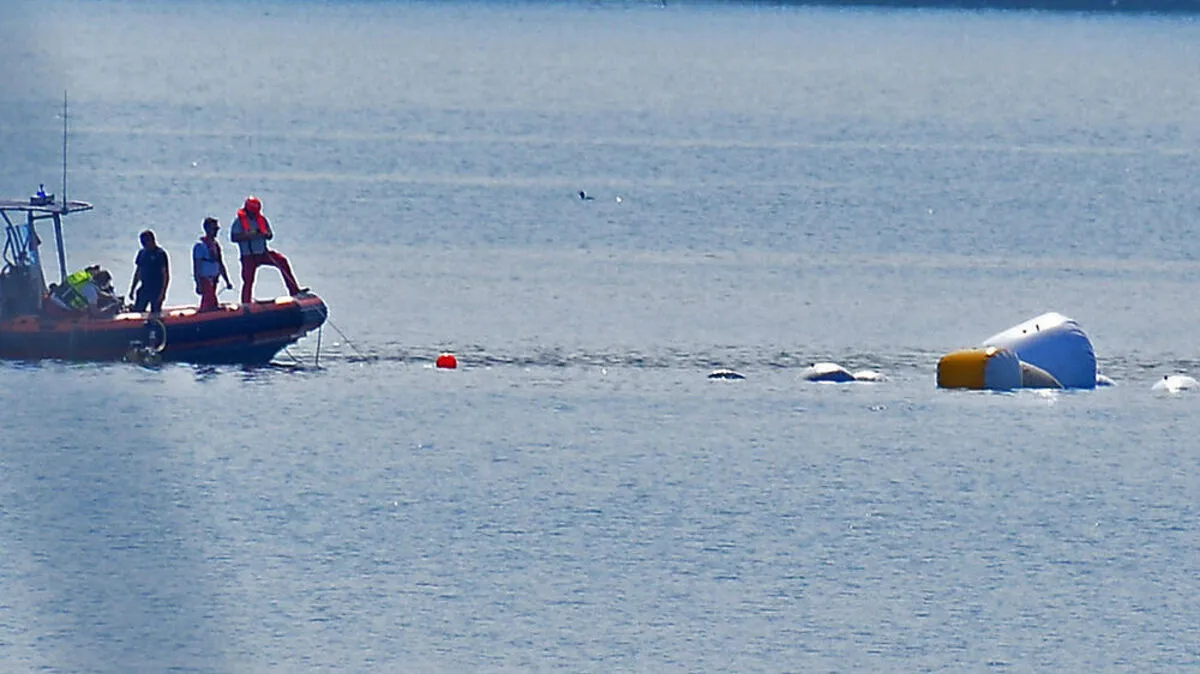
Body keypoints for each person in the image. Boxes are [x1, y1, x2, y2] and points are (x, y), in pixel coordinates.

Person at [230, 195, 304, 303]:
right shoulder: (239, 222)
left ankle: (294, 290)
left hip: (263, 253)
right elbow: (234, 237)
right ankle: (246, 303)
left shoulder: (262, 220)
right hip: (248, 256)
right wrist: (250, 234)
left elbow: (270, 235)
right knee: (248, 280)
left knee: (282, 261)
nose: (254, 214)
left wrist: (264, 234)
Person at [192, 217, 233, 311]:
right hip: (205, 279)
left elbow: (221, 264)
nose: (216, 231)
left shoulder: (216, 245)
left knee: (210, 302)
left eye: (217, 229)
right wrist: (198, 283)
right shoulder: (200, 246)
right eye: (214, 229)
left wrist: (227, 281)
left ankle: (207, 312)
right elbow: (196, 266)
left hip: (214, 279)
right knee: (210, 300)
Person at [50, 265, 121, 317]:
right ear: (103, 283)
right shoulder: (91, 292)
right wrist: (110, 309)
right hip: (62, 307)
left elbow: (98, 293)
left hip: (56, 297)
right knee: (87, 313)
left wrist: (111, 298)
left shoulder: (87, 281)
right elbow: (95, 313)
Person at [129, 229, 169, 314]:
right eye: (142, 242)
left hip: (156, 289)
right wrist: (132, 289)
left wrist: (163, 293)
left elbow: (165, 275)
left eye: (145, 242)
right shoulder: (142, 253)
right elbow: (137, 272)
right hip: (144, 287)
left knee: (155, 312)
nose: (143, 244)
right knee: (138, 311)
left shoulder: (160, 254)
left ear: (152, 240)